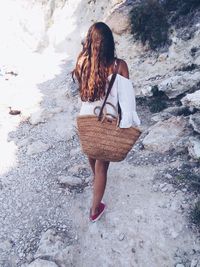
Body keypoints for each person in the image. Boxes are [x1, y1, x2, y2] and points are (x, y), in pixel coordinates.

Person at [73, 22, 140, 222]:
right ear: (110, 42)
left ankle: (96, 184)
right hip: (106, 120)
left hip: (86, 120)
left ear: (90, 42)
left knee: (93, 155)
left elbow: (82, 92)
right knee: (103, 166)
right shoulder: (119, 66)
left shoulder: (83, 62)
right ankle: (95, 210)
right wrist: (129, 123)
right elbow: (127, 103)